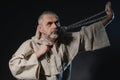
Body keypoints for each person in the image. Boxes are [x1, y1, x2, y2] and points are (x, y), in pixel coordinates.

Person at [9, 1, 114, 80]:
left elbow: (89, 33)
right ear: (40, 28)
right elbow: (14, 66)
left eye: (57, 22)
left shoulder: (67, 41)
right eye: (49, 23)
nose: (55, 26)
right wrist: (38, 54)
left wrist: (109, 18)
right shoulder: (31, 44)